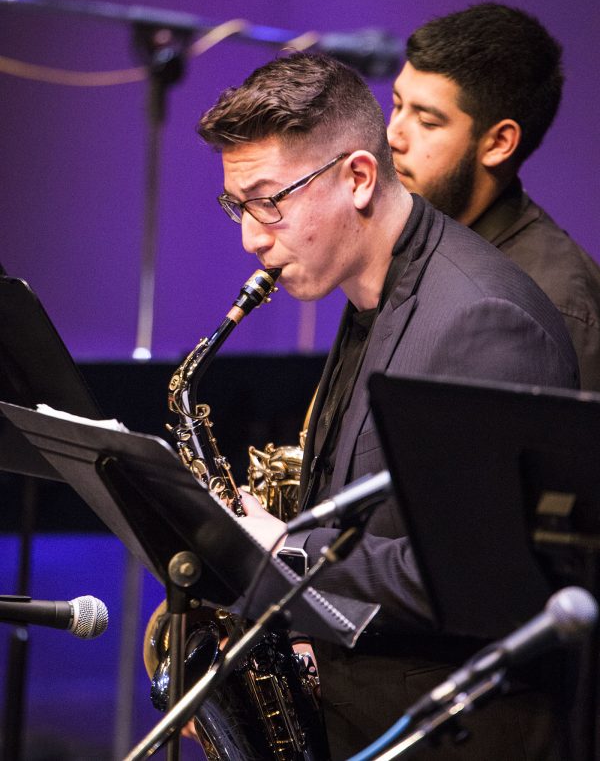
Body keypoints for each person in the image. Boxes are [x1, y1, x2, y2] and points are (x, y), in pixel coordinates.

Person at [197, 52, 579, 760]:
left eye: (268, 201)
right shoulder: (367, 289)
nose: (251, 236)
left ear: (359, 179)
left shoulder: (482, 319)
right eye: (237, 206)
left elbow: (484, 582)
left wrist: (284, 550)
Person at [387, 2, 600, 390]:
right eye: (397, 105)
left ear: (499, 143)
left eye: (427, 120)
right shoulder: (412, 245)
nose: (392, 136)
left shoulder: (558, 303)